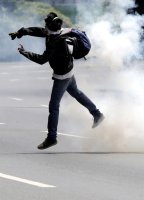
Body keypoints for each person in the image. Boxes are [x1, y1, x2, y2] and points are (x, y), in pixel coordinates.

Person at [9, 12, 104, 150]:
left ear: (49, 26)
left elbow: (42, 60)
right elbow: (38, 31)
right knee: (76, 93)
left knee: (54, 106)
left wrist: (24, 52)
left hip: (62, 75)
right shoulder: (60, 32)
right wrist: (20, 32)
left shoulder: (55, 42)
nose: (44, 27)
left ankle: (51, 138)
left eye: (45, 24)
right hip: (68, 70)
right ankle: (97, 114)